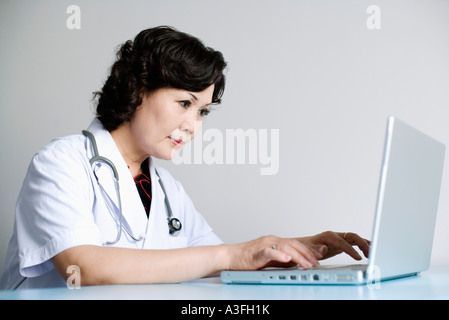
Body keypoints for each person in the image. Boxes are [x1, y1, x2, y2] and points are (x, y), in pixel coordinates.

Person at [0, 26, 369, 289]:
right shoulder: (61, 162)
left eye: (202, 112)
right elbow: (83, 268)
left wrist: (300, 247)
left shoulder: (165, 188)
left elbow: (216, 261)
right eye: (185, 103)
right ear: (138, 89)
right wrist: (230, 256)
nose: (193, 126)